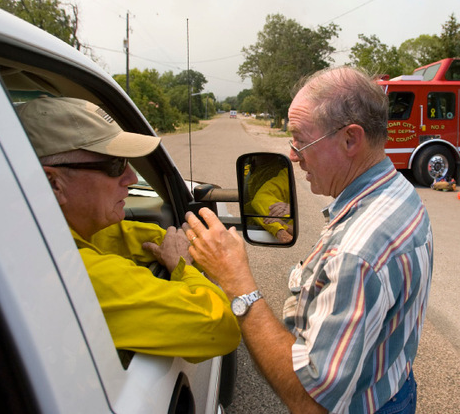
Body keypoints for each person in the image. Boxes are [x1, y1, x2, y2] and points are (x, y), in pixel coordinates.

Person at [181, 67, 433, 413]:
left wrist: (235, 281)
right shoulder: (397, 192)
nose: (294, 155)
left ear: (350, 139)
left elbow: (309, 402)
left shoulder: (356, 254)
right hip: (392, 385)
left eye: (301, 140)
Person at [17, 96, 240, 363]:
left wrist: (176, 241)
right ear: (53, 183)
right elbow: (222, 327)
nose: (132, 177)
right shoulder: (75, 275)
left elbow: (115, 236)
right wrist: (183, 265)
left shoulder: (29, 234)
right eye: (114, 165)